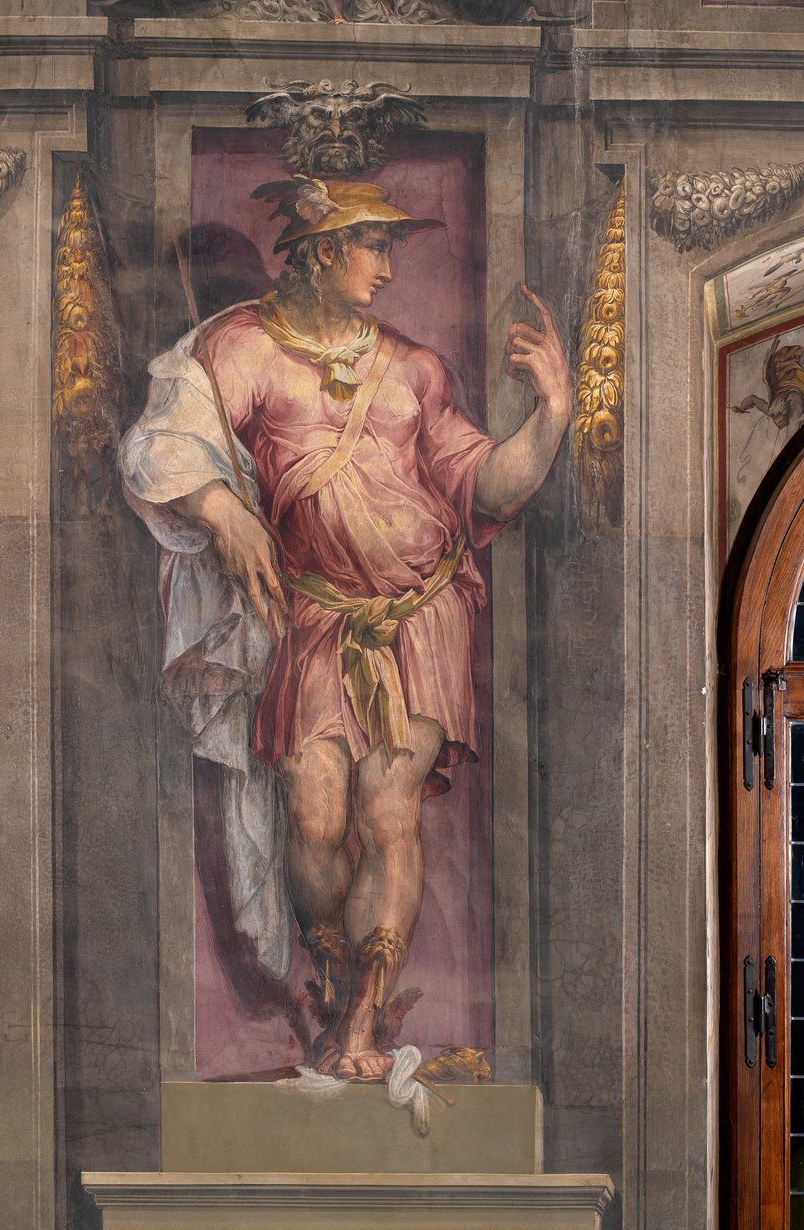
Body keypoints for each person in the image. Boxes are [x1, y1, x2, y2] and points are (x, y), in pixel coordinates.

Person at [121, 176, 571, 1081]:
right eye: (374, 246)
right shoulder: (240, 348)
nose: (388, 267)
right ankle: (332, 985)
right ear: (324, 250)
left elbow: (488, 486)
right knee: (314, 811)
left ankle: (362, 1023)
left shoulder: (415, 370)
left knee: (387, 805)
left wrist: (553, 411)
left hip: (420, 616)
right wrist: (223, 510)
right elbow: (160, 443)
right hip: (315, 617)